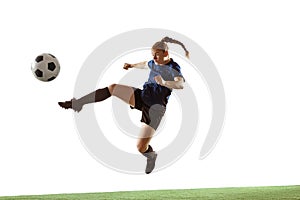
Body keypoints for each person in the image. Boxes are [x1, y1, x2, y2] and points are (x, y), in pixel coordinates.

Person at [58, 36, 189, 174]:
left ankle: (151, 155)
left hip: (155, 108)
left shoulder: (173, 67)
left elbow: (180, 84)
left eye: (157, 54)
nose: (154, 58)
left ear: (166, 53)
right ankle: (78, 103)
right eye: (153, 55)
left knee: (140, 147)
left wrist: (164, 83)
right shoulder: (153, 62)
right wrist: (131, 65)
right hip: (142, 96)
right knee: (113, 88)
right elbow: (145, 64)